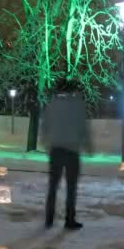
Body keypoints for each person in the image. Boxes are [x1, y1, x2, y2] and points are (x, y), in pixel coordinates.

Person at [42, 80, 92, 230]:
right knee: (71, 187)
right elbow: (83, 128)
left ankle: (49, 218)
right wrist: (88, 146)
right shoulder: (78, 106)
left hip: (56, 149)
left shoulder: (52, 105)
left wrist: (45, 143)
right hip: (72, 151)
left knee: (53, 186)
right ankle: (69, 219)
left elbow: (45, 126)